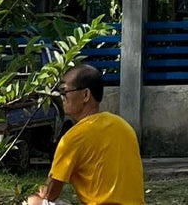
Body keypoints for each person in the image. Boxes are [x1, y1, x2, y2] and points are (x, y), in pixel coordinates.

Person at [26, 64, 145, 205]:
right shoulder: (123, 126)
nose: (61, 97)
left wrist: (42, 192)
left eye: (64, 91)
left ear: (85, 95)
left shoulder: (74, 137)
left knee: (34, 201)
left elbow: (50, 194)